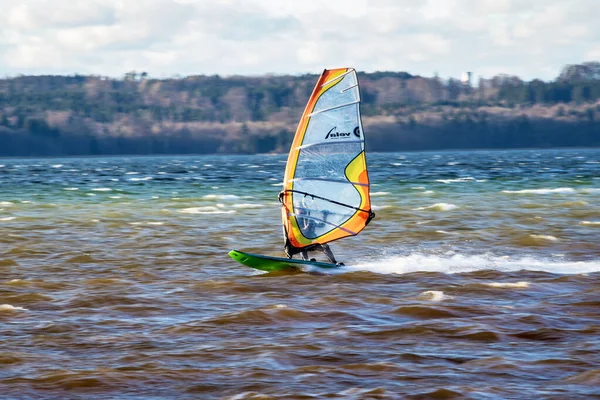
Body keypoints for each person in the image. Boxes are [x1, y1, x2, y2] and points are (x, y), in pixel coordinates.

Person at [279, 190, 344, 265]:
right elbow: (292, 230)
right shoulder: (295, 220)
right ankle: (306, 261)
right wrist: (283, 199)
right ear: (296, 210)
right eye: (299, 209)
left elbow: (321, 225)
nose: (301, 210)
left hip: (312, 242)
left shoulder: (310, 219)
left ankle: (334, 262)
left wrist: (325, 216)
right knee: (302, 246)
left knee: (326, 247)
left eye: (302, 208)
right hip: (301, 244)